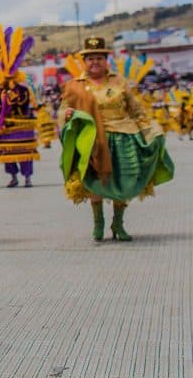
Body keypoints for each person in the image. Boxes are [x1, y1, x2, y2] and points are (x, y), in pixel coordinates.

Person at [58, 37, 174, 241]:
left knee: (125, 180)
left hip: (124, 138)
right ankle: (98, 223)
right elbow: (62, 110)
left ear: (106, 60)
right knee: (94, 180)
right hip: (92, 142)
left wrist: (150, 129)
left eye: (99, 58)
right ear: (85, 61)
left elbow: (136, 109)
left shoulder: (119, 81)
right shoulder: (74, 86)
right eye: (91, 58)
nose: (95, 62)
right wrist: (65, 114)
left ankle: (118, 223)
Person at [0, 24, 40, 188]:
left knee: (25, 154)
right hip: (6, 127)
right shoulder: (1, 91)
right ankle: (13, 176)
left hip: (21, 125)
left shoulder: (24, 90)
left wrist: (10, 99)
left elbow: (24, 105)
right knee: (7, 154)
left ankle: (27, 178)